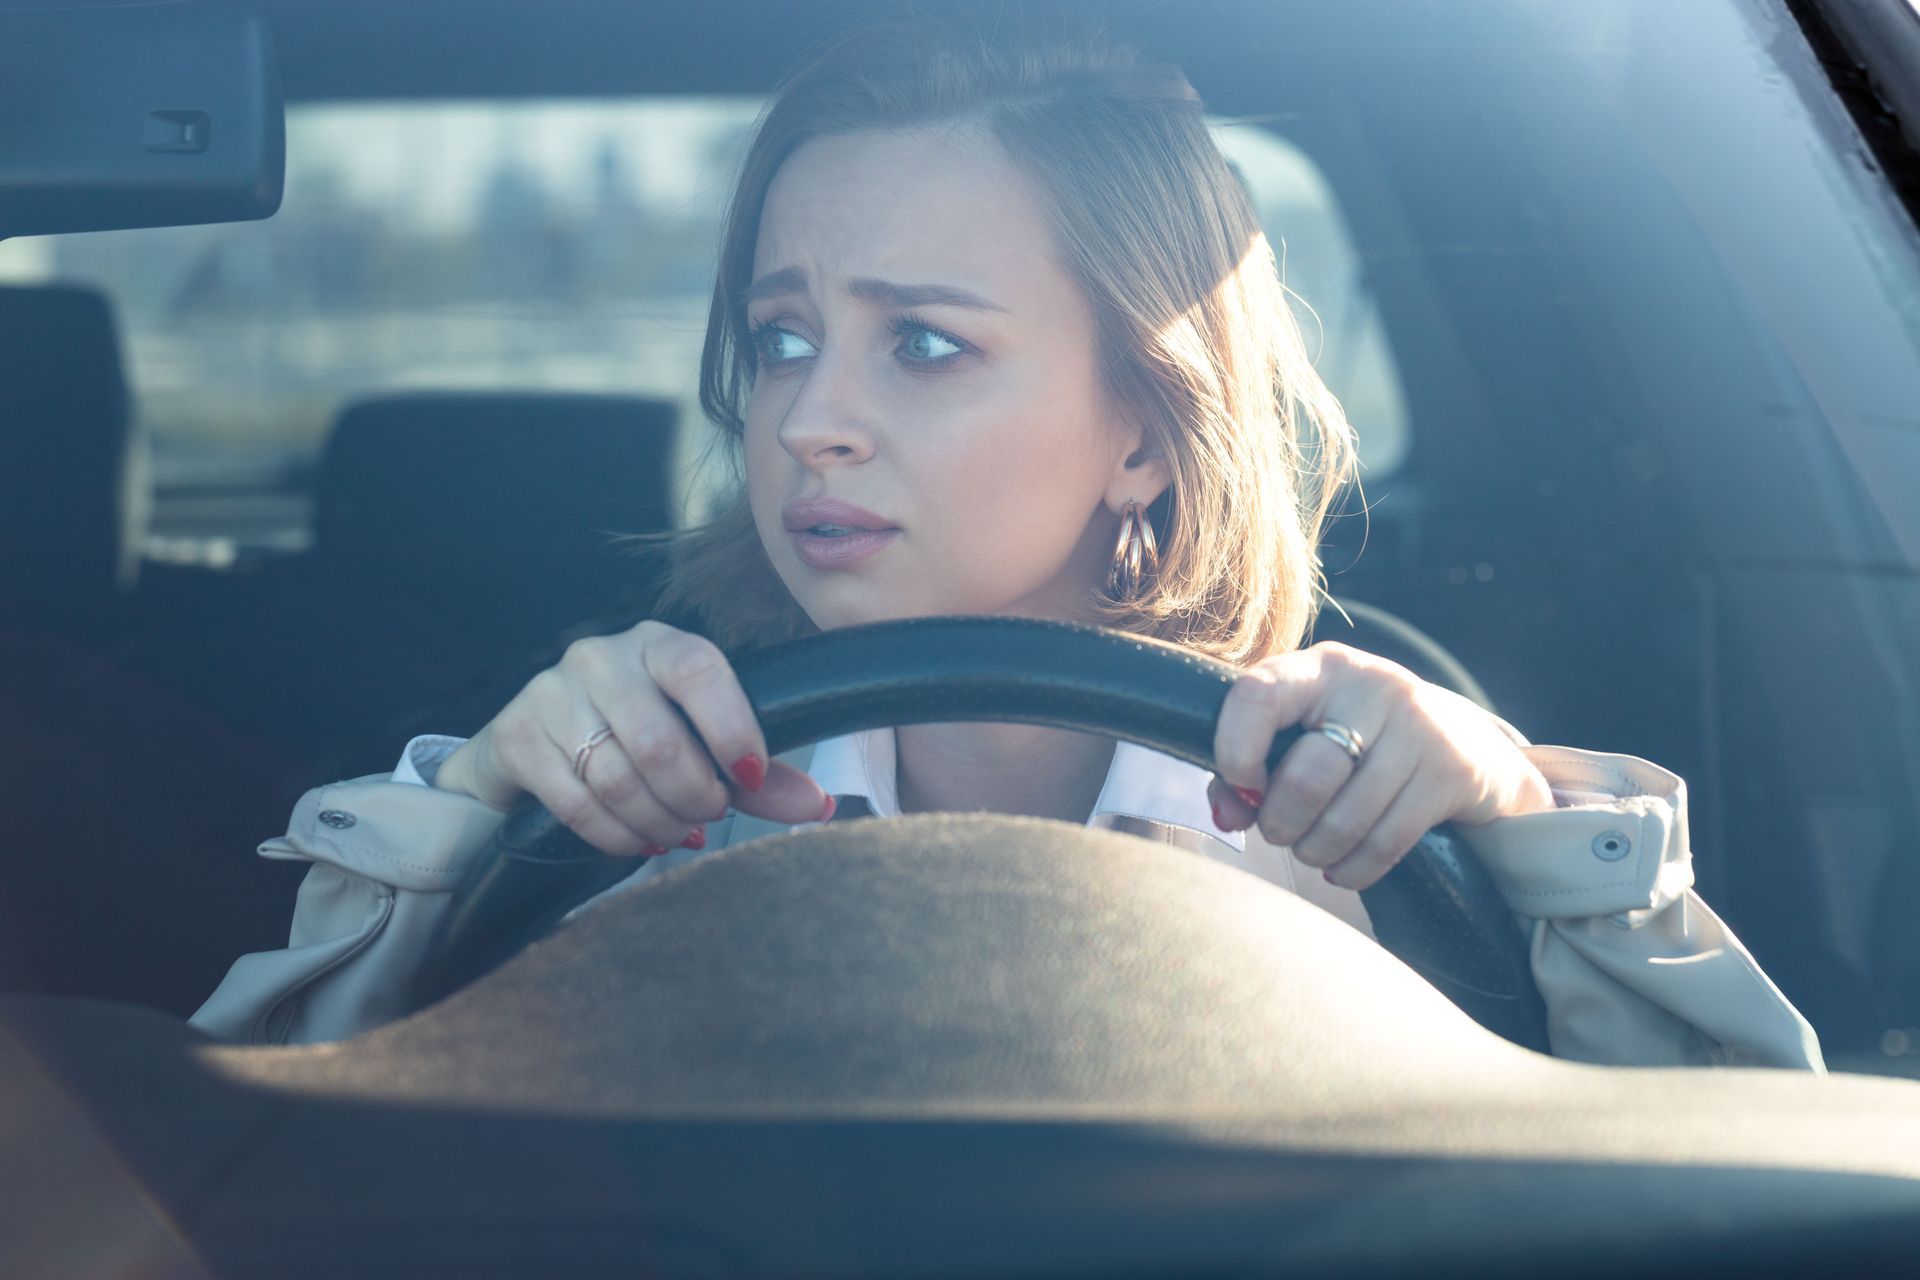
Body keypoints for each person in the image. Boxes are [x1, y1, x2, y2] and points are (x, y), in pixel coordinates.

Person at [193, 16, 1823, 1070]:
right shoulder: (629, 812)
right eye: (778, 339)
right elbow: (258, 1167)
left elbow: (1728, 1179)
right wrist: (478, 815)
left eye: (922, 345)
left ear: (1142, 425)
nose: (807, 420)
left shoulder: (1363, 834)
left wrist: (1521, 835)